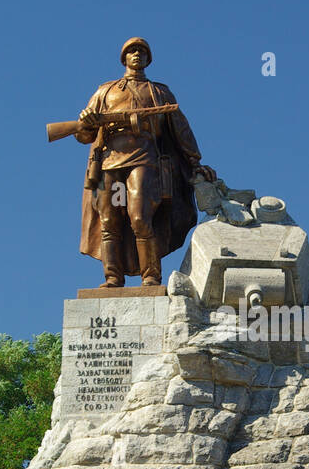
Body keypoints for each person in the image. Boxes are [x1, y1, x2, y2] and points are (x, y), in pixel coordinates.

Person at [74, 38, 217, 287]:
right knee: (109, 221)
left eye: (141, 51)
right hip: (109, 164)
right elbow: (83, 135)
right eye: (131, 51)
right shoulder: (105, 91)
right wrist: (86, 121)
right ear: (124, 58)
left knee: (140, 217)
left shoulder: (159, 92)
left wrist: (195, 162)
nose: (137, 54)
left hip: (144, 160)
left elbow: (180, 130)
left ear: (148, 58)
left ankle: (150, 276)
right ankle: (112, 278)